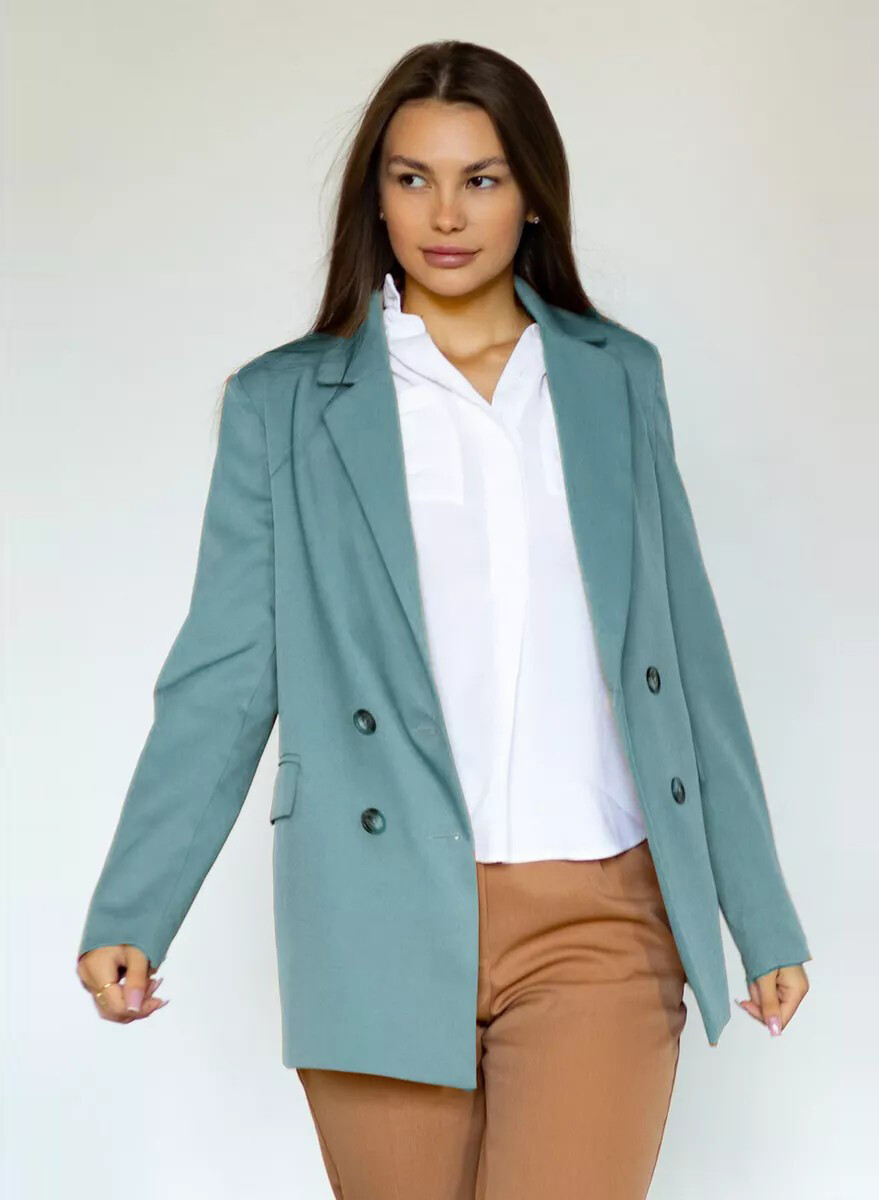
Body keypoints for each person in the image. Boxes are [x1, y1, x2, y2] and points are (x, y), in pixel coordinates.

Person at [76, 39, 812, 1199]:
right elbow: (226, 674)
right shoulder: (284, 404)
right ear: (375, 196)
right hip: (374, 906)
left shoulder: (616, 378)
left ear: (533, 196)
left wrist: (758, 916)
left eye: (482, 178)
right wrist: (136, 905)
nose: (447, 214)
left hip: (600, 914)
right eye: (413, 177)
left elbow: (686, 657)